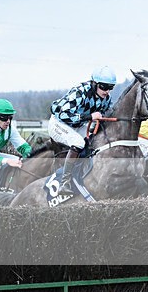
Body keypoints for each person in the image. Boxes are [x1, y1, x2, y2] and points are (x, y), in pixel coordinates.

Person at [48, 65, 116, 196]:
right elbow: (62, 114)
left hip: (78, 125)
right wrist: (90, 117)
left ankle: (85, 173)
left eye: (110, 87)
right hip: (59, 123)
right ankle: (65, 182)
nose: (107, 91)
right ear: (94, 83)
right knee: (78, 142)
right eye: (104, 87)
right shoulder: (80, 92)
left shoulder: (106, 99)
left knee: (96, 141)